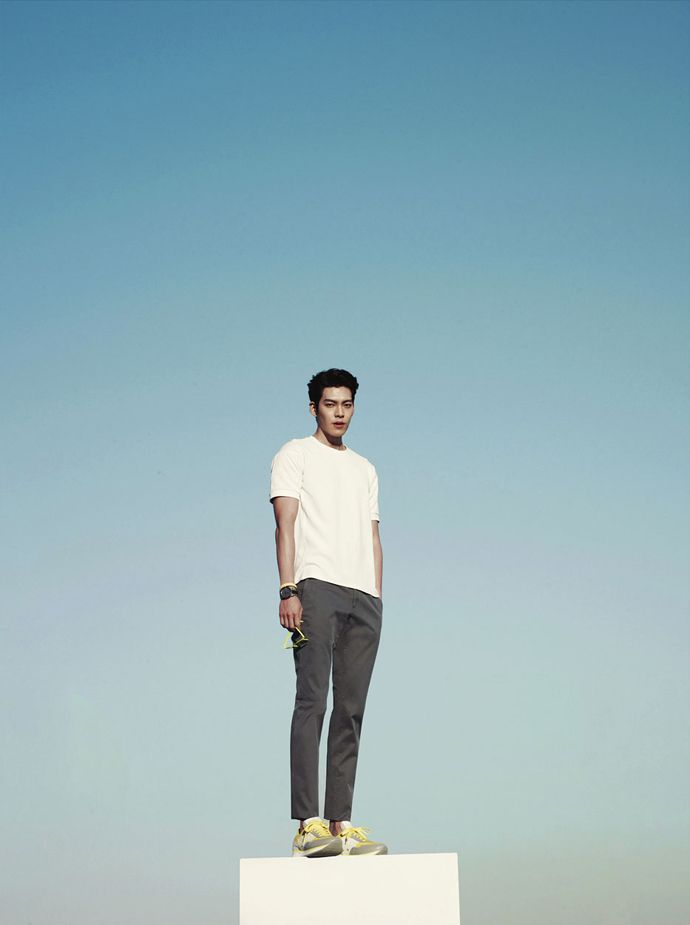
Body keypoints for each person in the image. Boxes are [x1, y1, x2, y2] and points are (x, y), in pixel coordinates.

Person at [270, 368, 388, 858]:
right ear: (314, 408)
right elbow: (285, 524)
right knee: (312, 703)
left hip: (364, 597)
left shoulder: (365, 469)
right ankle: (307, 824)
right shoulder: (294, 454)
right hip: (315, 588)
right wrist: (288, 589)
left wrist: (377, 595)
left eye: (346, 404)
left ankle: (341, 823)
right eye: (329, 404)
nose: (339, 413)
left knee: (351, 711)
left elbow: (373, 535)